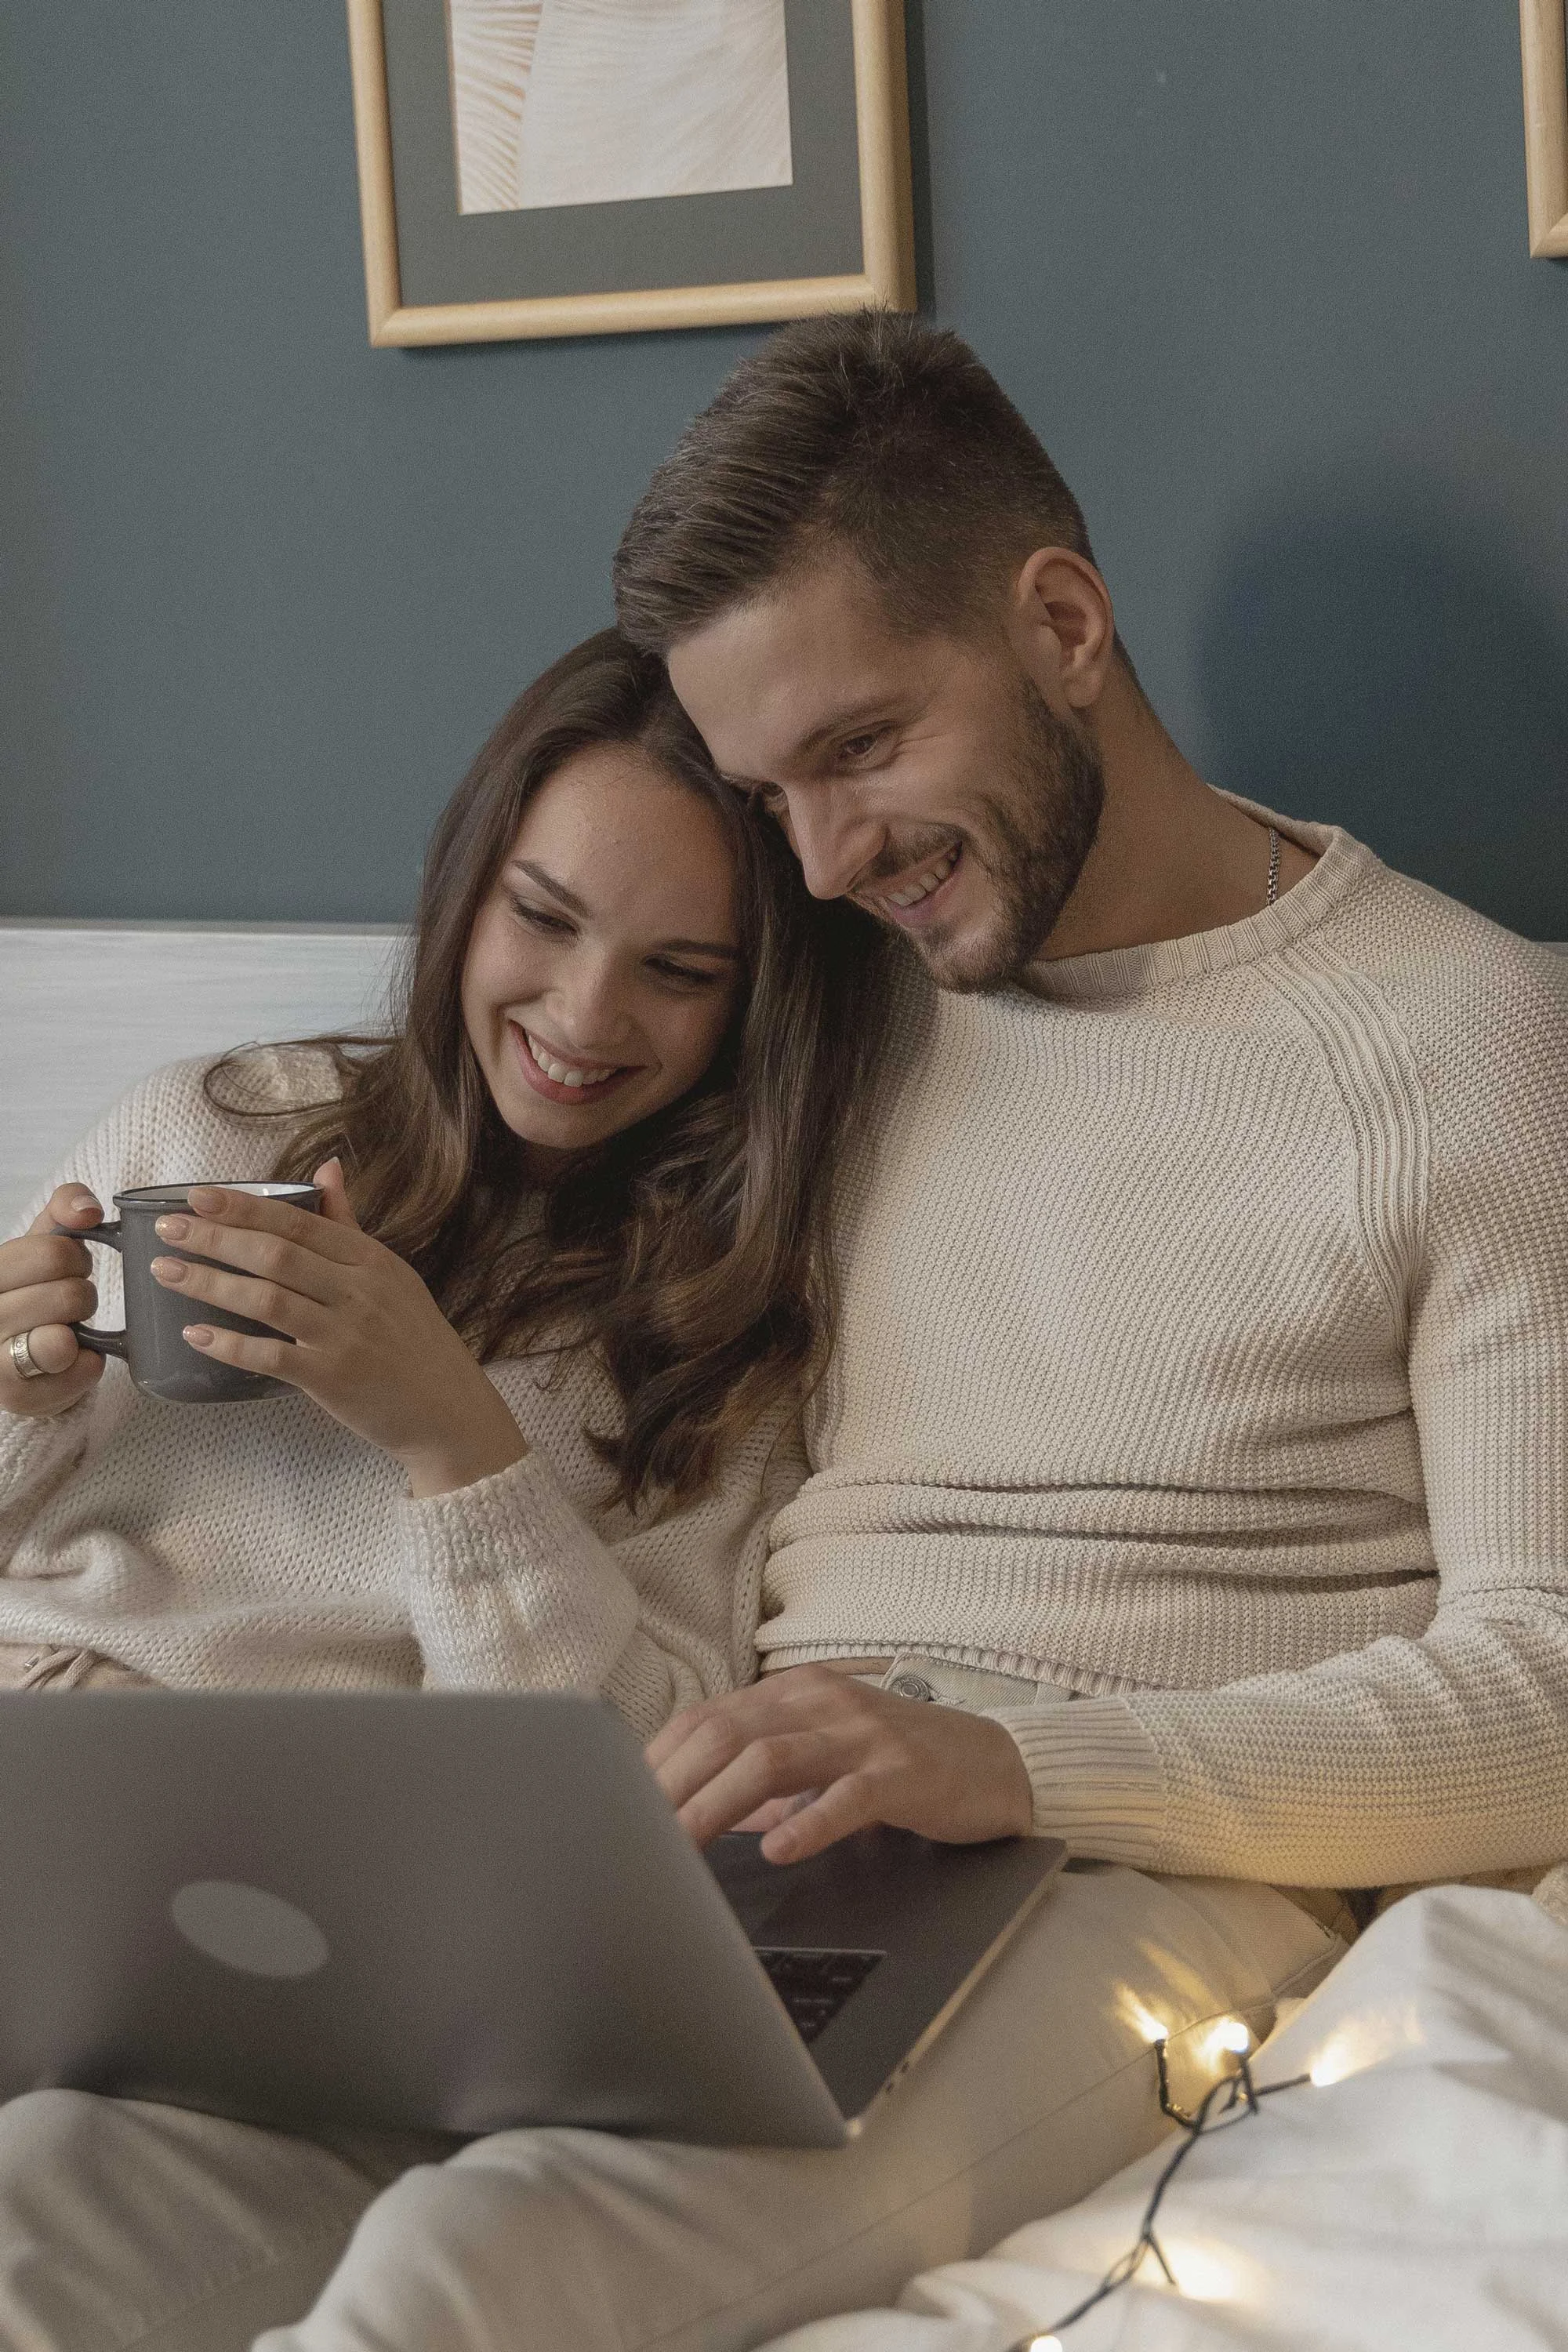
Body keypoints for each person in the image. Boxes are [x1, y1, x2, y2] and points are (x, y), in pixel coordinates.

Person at [3, 322, 1566, 2352]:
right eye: (770, 793)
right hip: (741, 1818)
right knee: (54, 2205)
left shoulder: (1459, 1051)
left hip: (1117, 1860)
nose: (824, 862)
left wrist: (1020, 1765)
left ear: (1063, 624)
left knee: (475, 2282)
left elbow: (1544, 1693)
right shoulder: (840, 1009)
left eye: (860, 751)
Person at [0, 630, 879, 1720]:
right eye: (543, 918)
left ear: (753, 1004)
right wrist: (17, 1403)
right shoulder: (210, 1129)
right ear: (465, 891)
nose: (582, 1016)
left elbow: (636, 1759)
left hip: (331, 1832)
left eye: (678, 970)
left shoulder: (729, 1331)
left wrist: (456, 1441)